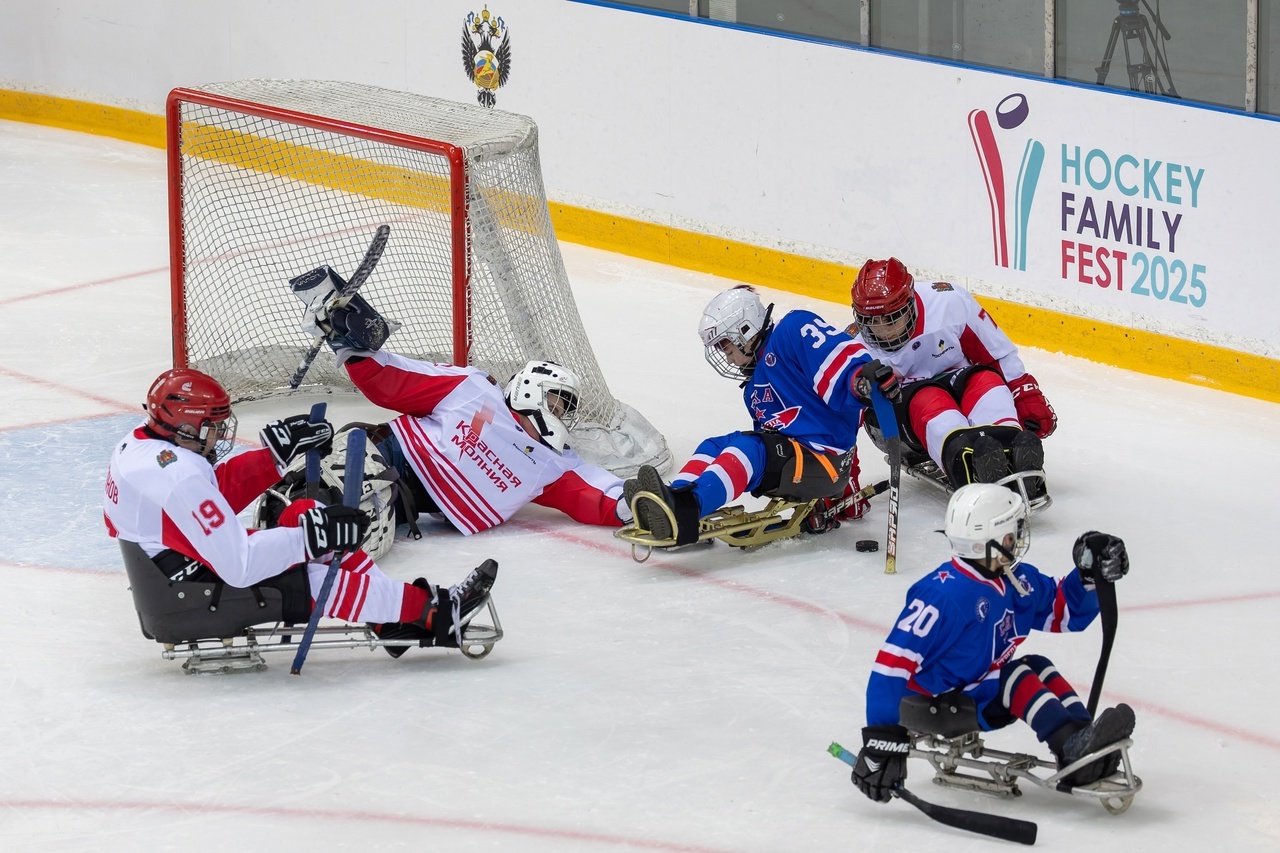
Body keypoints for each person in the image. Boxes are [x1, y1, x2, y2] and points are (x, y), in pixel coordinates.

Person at [103, 367, 498, 657]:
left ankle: (391, 615)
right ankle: (433, 615)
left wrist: (273, 458)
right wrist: (310, 539)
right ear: (188, 428)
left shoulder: (143, 448)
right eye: (213, 427)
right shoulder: (178, 475)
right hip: (190, 597)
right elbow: (239, 566)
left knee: (306, 512)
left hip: (176, 570)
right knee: (315, 574)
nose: (221, 435)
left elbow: (208, 495)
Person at [292, 265, 630, 536]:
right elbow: (394, 381)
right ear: (529, 389)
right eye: (555, 403)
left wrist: (634, 505)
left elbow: (596, 496)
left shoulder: (554, 464)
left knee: (349, 530)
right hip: (389, 456)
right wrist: (350, 344)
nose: (558, 414)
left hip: (402, 502)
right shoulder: (475, 389)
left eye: (562, 410)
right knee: (320, 497)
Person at [849, 483, 1134, 803]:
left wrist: (1088, 575)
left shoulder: (1014, 579)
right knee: (1015, 677)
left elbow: (1063, 611)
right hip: (929, 704)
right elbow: (891, 667)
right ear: (996, 540)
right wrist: (881, 741)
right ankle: (1071, 747)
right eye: (1014, 531)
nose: (1019, 536)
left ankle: (1084, 740)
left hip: (972, 688)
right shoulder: (943, 596)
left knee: (1037, 665)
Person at [625, 284, 901, 544]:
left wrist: (861, 382)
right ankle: (672, 498)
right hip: (799, 459)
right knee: (715, 445)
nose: (727, 357)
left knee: (749, 448)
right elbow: (771, 445)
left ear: (745, 330)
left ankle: (685, 511)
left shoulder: (792, 331)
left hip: (826, 461)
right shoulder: (753, 388)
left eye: (726, 346)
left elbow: (840, 359)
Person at [847, 257, 1056, 495]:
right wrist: (842, 478)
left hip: (955, 379)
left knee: (985, 378)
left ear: (910, 303)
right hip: (902, 417)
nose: (883, 331)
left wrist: (1024, 393)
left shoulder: (949, 302)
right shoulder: (853, 348)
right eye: (871, 322)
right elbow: (841, 414)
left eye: (891, 319)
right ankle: (966, 461)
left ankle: (1011, 445)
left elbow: (995, 354)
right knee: (928, 396)